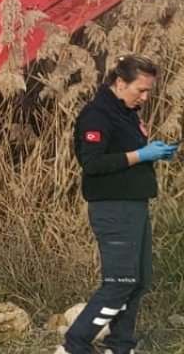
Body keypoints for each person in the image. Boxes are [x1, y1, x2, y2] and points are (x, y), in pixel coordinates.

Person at [58, 55, 176, 354]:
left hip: (134, 205)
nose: (146, 97)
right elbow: (93, 163)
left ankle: (120, 346)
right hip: (113, 209)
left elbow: (125, 153)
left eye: (149, 91)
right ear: (120, 82)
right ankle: (75, 344)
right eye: (141, 90)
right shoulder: (97, 115)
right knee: (120, 281)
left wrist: (157, 153)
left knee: (139, 280)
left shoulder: (126, 112)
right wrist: (142, 154)